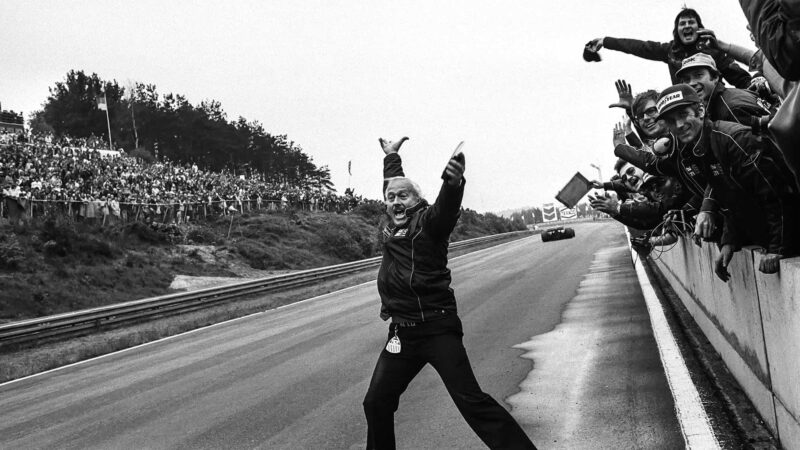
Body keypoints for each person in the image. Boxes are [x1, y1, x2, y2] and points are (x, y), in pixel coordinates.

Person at [362, 137, 536, 450]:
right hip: (402, 331)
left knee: (471, 402)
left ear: (418, 199)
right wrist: (391, 156)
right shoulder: (390, 224)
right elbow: (392, 184)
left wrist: (453, 183)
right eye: (390, 198)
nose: (395, 201)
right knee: (376, 403)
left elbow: (445, 208)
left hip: (436, 328)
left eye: (404, 196)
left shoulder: (428, 224)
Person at [653, 83, 800, 277]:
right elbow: (730, 199)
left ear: (700, 110)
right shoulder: (700, 148)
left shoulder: (733, 139)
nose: (679, 125)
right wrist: (729, 242)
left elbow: (777, 193)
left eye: (683, 114)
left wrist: (777, 248)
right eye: (672, 121)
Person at [585, 8, 752, 88]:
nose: (687, 26)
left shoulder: (712, 49)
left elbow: (737, 75)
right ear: (677, 31)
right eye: (683, 23)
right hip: (686, 107)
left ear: (699, 28)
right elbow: (638, 46)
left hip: (715, 102)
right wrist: (605, 41)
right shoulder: (670, 51)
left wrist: (757, 89)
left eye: (691, 22)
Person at [675, 53, 773, 132]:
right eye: (686, 79)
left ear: (715, 78)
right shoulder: (722, 100)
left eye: (698, 75)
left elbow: (761, 149)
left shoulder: (731, 109)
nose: (692, 83)